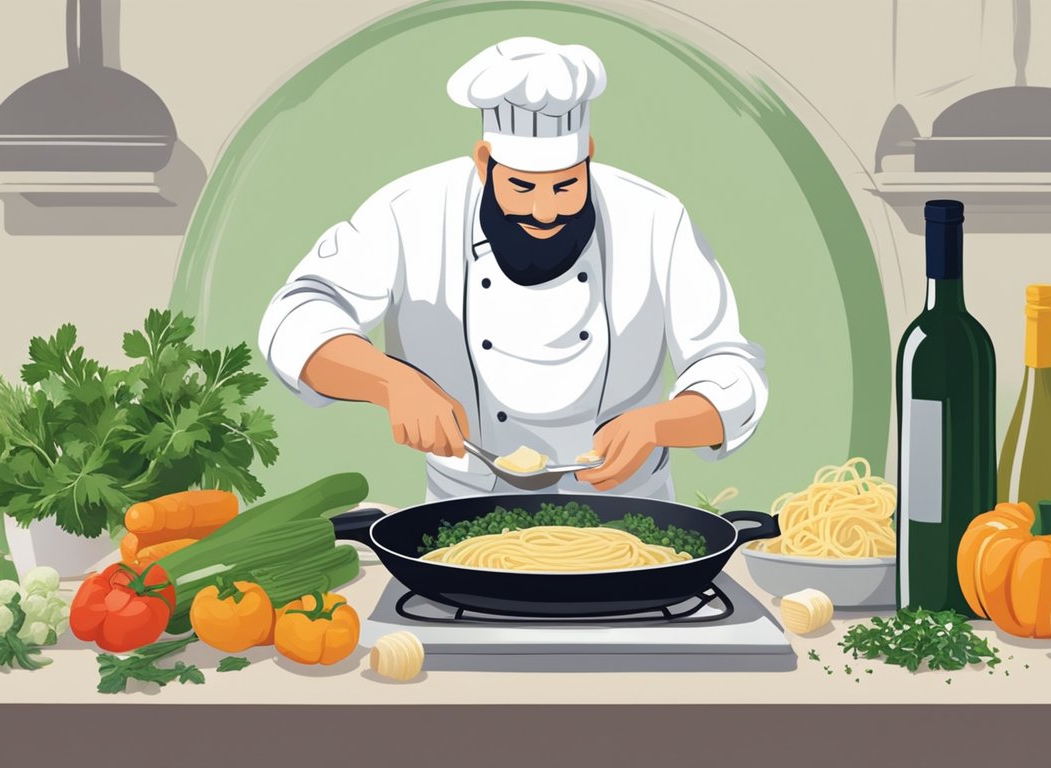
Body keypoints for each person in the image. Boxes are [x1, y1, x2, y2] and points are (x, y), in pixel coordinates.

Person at [258, 36, 767, 501]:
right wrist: (391, 383)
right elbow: (296, 315)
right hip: (462, 518)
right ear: (484, 162)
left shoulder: (655, 219)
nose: (545, 211)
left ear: (587, 155)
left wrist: (660, 425)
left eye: (566, 186)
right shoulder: (410, 212)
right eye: (522, 188)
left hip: (633, 516)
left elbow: (730, 368)